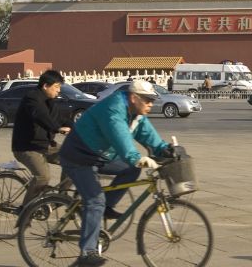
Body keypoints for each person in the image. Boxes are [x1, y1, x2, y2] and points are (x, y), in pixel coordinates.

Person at [59, 80, 176, 266]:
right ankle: (87, 252)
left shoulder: (136, 113)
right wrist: (136, 157)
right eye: (147, 100)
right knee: (95, 200)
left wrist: (164, 149)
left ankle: (107, 206)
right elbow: (119, 135)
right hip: (78, 155)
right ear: (133, 97)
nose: (150, 104)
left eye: (152, 101)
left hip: (100, 155)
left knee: (131, 170)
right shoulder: (114, 108)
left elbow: (147, 134)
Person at [10, 70, 71, 206]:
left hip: (44, 145)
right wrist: (57, 128)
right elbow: (40, 115)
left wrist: (79, 129)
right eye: (56, 87)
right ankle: (26, 211)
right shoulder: (32, 99)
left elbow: (62, 119)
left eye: (60, 87)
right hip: (27, 147)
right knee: (43, 177)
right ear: (45, 86)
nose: (59, 90)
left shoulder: (51, 102)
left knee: (72, 158)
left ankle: (62, 196)